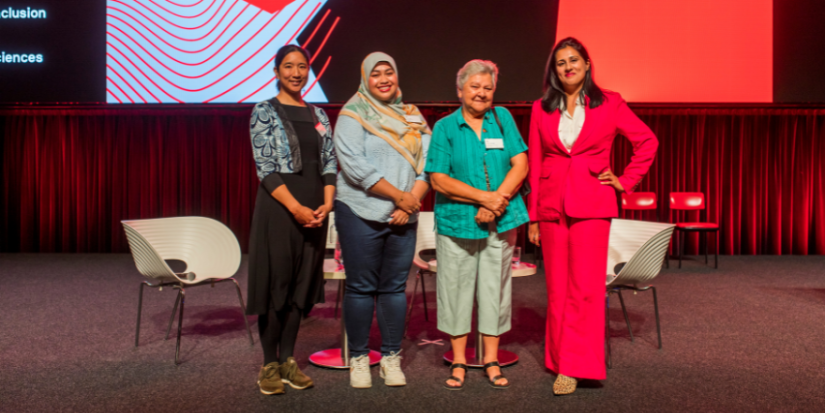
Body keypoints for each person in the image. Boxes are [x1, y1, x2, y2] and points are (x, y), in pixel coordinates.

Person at [527, 37, 658, 395]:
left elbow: (647, 142)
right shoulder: (542, 108)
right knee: (556, 290)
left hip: (592, 207)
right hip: (552, 208)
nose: (567, 67)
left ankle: (575, 367)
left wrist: (626, 180)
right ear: (553, 71)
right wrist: (534, 217)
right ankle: (557, 361)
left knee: (585, 291)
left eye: (573, 60)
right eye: (560, 63)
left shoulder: (610, 102)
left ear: (587, 64)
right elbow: (536, 162)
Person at [425, 59, 529, 390]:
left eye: (488, 88)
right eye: (475, 86)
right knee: (456, 290)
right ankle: (457, 360)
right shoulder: (444, 128)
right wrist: (483, 199)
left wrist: (496, 200)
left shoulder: (503, 119)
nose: (481, 93)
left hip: (501, 220)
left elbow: (521, 164)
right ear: (460, 90)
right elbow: (439, 180)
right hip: (457, 224)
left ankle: (491, 360)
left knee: (494, 291)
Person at [334, 52, 431, 389]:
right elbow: (355, 167)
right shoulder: (352, 114)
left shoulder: (412, 115)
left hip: (405, 212)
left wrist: (411, 201)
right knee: (361, 288)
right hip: (359, 211)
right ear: (365, 79)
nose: (384, 79)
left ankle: (391, 357)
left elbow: (428, 163)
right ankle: (359, 358)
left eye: (389, 72)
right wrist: (399, 196)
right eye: (376, 74)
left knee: (393, 289)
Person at [245, 45, 337, 396]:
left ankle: (288, 361)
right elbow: (265, 169)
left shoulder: (319, 113)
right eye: (289, 66)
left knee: (300, 289)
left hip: (316, 210)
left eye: (302, 66)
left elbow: (329, 162)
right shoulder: (264, 111)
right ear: (276, 71)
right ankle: (269, 365)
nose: (296, 73)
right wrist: (297, 208)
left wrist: (327, 204)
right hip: (280, 210)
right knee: (276, 287)